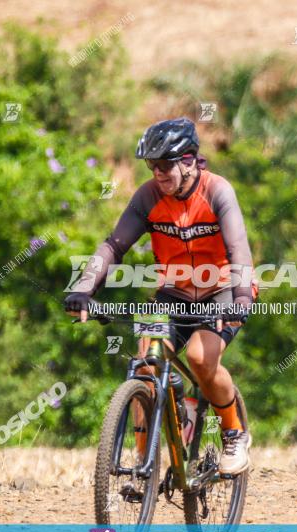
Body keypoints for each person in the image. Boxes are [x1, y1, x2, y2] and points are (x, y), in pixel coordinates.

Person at [65, 118, 256, 474]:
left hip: (224, 290)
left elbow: (238, 250)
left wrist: (242, 300)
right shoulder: (148, 196)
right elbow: (113, 246)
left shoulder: (218, 191)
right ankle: (144, 465)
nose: (158, 173)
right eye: (152, 166)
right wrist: (83, 288)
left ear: (188, 160)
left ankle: (234, 433)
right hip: (173, 292)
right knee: (146, 362)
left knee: (200, 357)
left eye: (164, 165)